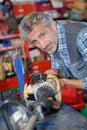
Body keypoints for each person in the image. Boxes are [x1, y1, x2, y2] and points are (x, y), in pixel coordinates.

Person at [19, 12, 87, 91]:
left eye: (42, 35)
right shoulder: (52, 42)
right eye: (35, 41)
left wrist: (65, 83)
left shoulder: (82, 36)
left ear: (53, 26)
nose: (43, 45)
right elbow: (65, 68)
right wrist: (57, 73)